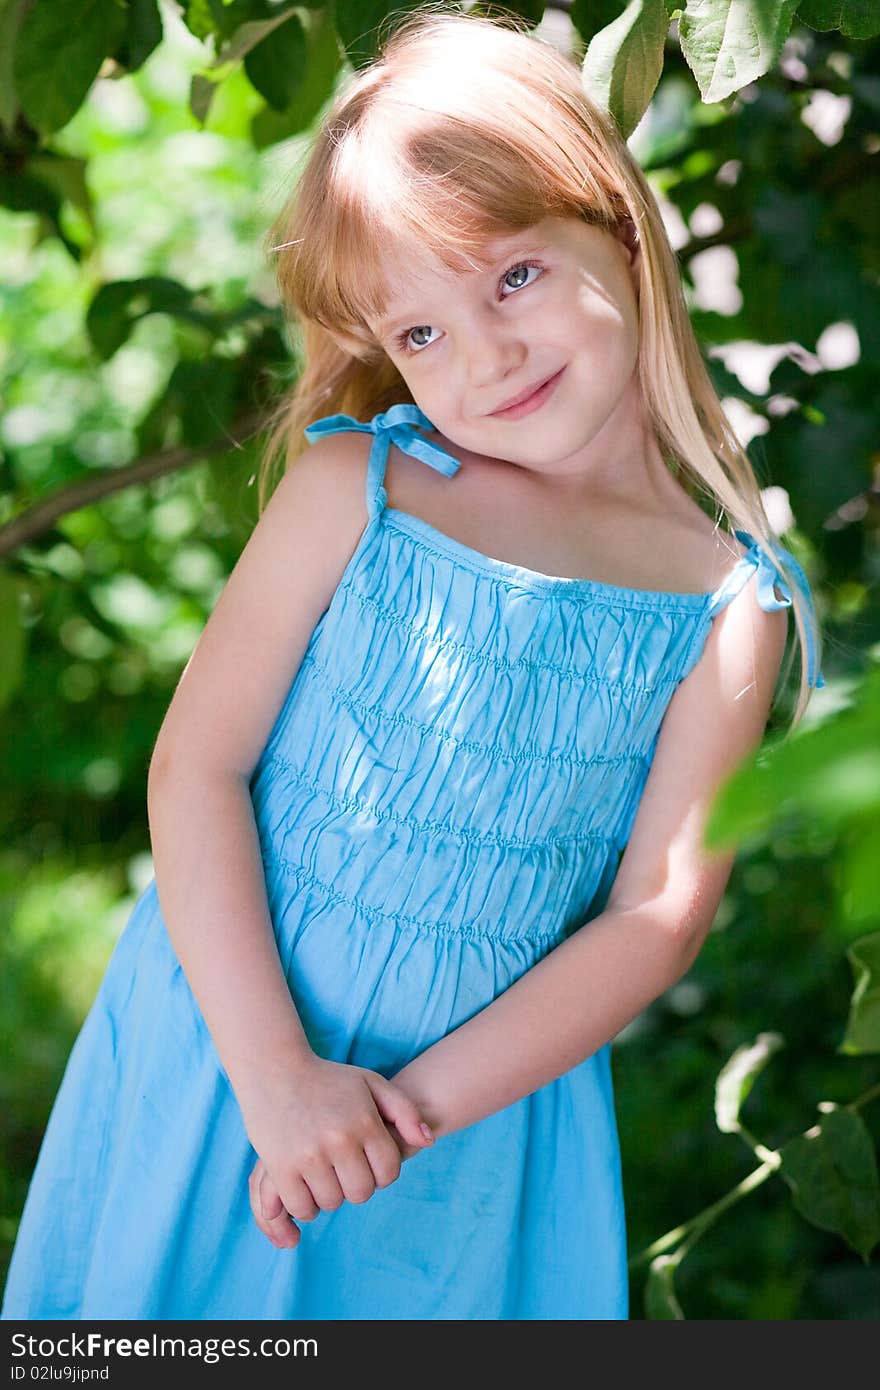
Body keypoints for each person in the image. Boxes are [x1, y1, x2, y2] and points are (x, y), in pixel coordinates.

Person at [1, 6, 825, 1322]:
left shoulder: (730, 599)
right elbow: (196, 765)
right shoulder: (363, 485)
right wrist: (282, 1083)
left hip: (469, 1123)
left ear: (616, 225)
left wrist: (390, 1121)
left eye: (510, 277)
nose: (485, 356)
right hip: (232, 1038)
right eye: (423, 333)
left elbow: (654, 917)